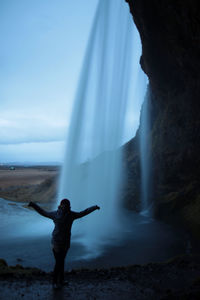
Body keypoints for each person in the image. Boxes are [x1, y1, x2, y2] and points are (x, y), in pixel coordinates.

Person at [28, 199, 100, 289]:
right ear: (62, 205)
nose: (64, 206)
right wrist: (33, 205)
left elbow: (83, 213)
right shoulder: (67, 214)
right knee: (59, 262)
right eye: (64, 205)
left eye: (65, 205)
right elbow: (43, 212)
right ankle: (55, 282)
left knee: (60, 262)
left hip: (63, 243)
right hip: (58, 243)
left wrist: (94, 207)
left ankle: (60, 281)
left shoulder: (66, 214)